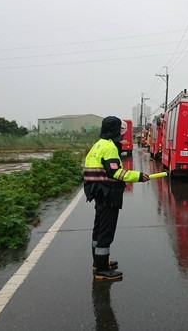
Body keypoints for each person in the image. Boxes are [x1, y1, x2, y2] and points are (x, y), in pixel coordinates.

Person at [83, 116, 149, 281]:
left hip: (97, 192)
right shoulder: (110, 147)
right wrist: (139, 176)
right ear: (113, 130)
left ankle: (98, 262)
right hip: (107, 192)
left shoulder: (97, 145)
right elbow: (116, 173)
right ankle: (102, 270)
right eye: (120, 130)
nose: (121, 133)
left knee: (98, 228)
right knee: (106, 230)